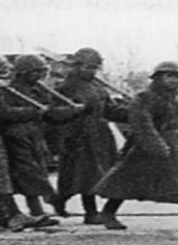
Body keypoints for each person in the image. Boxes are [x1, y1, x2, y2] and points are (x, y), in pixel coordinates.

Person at [92, 61, 178, 230]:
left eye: (177, 77)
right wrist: (156, 145)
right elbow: (142, 123)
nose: (173, 80)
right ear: (158, 78)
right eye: (168, 76)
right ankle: (108, 213)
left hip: (174, 146)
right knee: (128, 180)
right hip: (150, 146)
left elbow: (177, 124)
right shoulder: (144, 98)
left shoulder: (173, 99)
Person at [52, 48, 126, 223]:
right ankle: (89, 212)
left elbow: (109, 110)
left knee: (98, 174)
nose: (91, 71)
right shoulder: (65, 87)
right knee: (83, 175)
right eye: (87, 67)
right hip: (77, 136)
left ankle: (63, 201)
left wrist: (130, 112)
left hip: (100, 135)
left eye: (94, 67)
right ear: (76, 66)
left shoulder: (99, 88)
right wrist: (73, 110)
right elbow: (52, 113)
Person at [0, 55, 62, 226]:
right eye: (35, 72)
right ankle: (37, 210)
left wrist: (65, 112)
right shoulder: (8, 89)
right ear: (23, 73)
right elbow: (4, 113)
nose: (39, 76)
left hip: (34, 136)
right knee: (29, 174)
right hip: (15, 136)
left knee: (36, 172)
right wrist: (32, 112)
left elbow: (49, 110)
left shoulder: (38, 90)